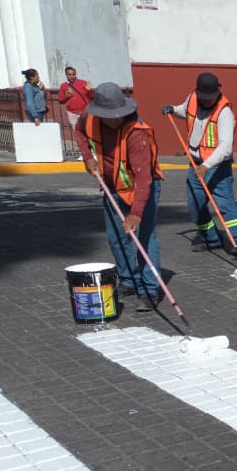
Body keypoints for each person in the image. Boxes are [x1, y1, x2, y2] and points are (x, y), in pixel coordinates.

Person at [74, 83, 164, 312]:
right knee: (116, 237)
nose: (114, 120)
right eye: (108, 117)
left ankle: (149, 289)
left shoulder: (137, 134)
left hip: (141, 188)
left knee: (144, 237)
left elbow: (144, 179)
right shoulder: (90, 117)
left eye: (117, 116)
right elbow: (79, 132)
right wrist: (87, 158)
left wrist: (136, 212)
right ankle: (128, 279)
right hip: (112, 186)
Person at [161, 72, 237, 259]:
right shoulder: (193, 98)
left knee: (225, 204)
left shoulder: (224, 112)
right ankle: (211, 239)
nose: (206, 102)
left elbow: (226, 147)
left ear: (216, 94)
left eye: (210, 98)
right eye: (204, 98)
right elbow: (184, 110)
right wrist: (172, 109)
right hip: (195, 163)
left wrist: (207, 165)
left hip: (217, 166)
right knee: (196, 205)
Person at [58, 66, 95, 130]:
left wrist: (90, 90)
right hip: (72, 114)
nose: (72, 76)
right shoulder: (63, 86)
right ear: (66, 75)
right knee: (77, 133)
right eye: (69, 74)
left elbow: (92, 97)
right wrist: (66, 97)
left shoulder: (83, 83)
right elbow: (61, 101)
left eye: (73, 74)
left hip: (85, 112)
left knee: (88, 130)